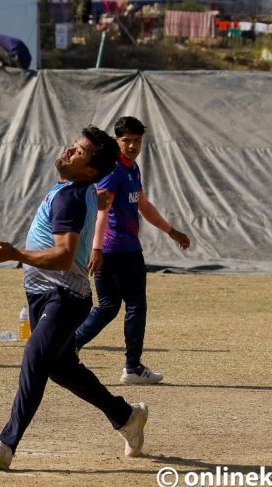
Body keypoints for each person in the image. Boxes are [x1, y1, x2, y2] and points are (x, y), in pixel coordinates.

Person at [0, 126, 148, 470]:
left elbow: (64, 256)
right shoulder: (76, 187)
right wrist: (99, 199)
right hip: (44, 294)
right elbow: (95, 199)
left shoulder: (70, 195)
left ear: (91, 170)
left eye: (79, 152)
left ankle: (6, 444)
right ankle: (126, 416)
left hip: (63, 295)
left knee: (34, 359)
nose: (69, 151)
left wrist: (16, 254)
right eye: (74, 146)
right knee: (63, 370)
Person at [74, 116, 191, 385]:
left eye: (137, 141)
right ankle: (133, 367)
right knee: (135, 305)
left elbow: (143, 204)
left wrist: (171, 231)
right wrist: (97, 248)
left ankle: (66, 348)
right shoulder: (114, 171)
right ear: (117, 140)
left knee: (107, 307)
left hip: (118, 249)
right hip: (119, 250)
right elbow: (102, 209)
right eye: (127, 140)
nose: (132, 146)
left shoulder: (131, 168)